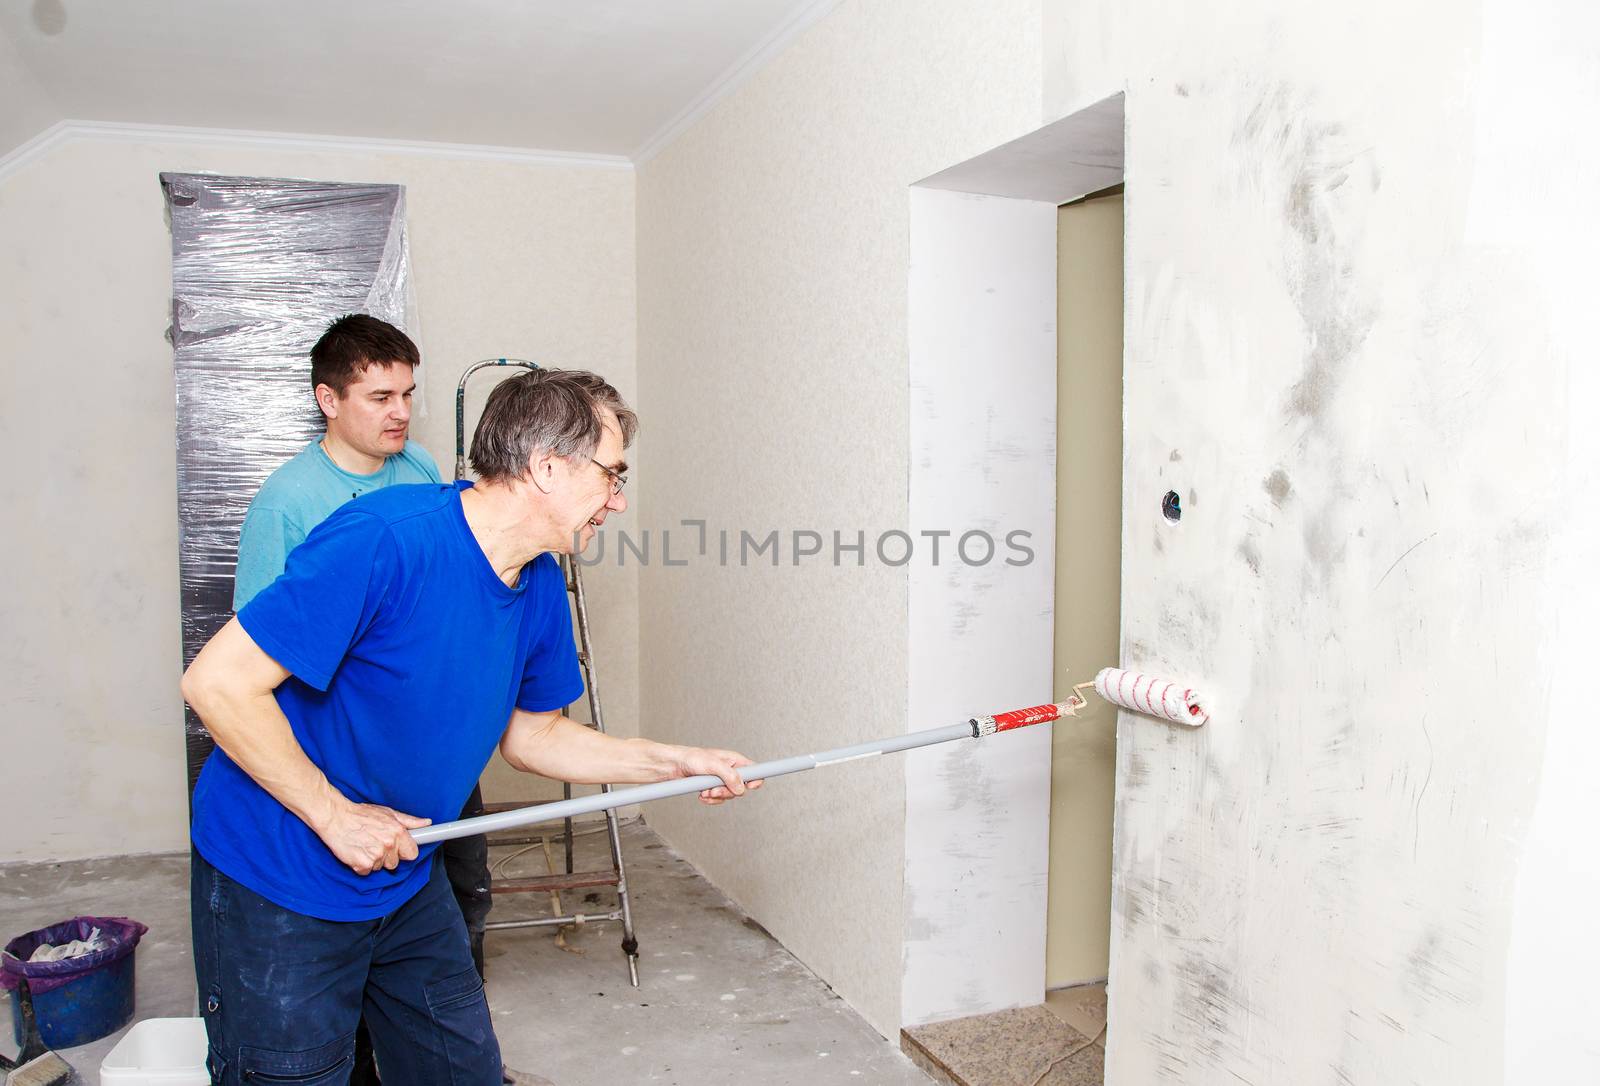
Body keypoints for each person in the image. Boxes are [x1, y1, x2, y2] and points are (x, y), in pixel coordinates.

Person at [184, 368, 758, 1085]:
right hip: (281, 873)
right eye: (611, 475)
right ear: (547, 467)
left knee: (460, 1071)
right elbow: (216, 682)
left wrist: (675, 762)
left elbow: (533, 738)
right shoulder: (386, 540)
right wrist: (335, 816)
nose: (618, 500)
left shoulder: (539, 579)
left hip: (405, 869)